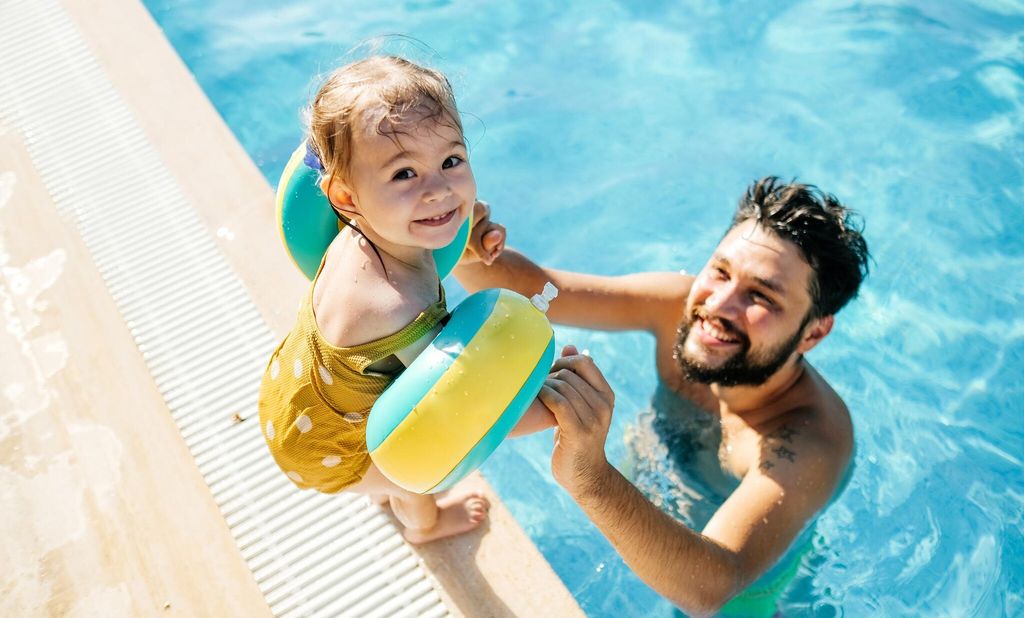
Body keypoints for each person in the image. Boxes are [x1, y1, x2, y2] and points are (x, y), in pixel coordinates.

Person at [455, 177, 870, 615]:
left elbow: (712, 586)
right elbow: (532, 287)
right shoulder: (678, 306)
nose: (718, 306)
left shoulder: (808, 440)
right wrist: (464, 245)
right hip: (650, 495)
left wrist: (589, 475)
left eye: (760, 296)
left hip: (740, 594)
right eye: (720, 271)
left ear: (814, 332)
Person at [257, 56, 552, 544]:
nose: (438, 191)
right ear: (346, 196)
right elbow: (458, 407)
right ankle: (424, 529)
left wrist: (470, 241)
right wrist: (551, 404)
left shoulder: (355, 230)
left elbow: (426, 237)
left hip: (290, 398)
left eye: (451, 161)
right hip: (329, 449)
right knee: (411, 478)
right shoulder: (396, 307)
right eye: (403, 175)